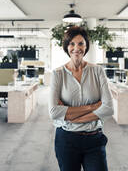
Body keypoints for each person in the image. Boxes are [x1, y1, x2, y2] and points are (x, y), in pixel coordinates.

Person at [49, 26, 114, 171]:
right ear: (66, 47)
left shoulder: (97, 71)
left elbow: (108, 108)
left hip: (94, 139)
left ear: (86, 46)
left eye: (80, 43)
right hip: (67, 140)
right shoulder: (58, 74)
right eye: (72, 43)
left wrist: (70, 115)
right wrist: (94, 106)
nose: (76, 48)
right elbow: (54, 112)